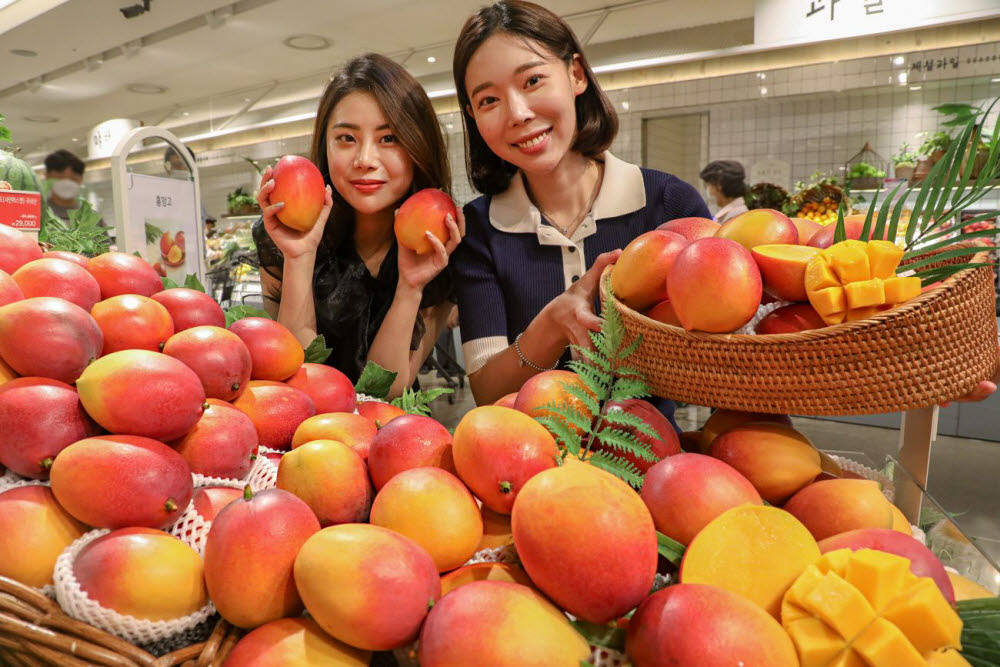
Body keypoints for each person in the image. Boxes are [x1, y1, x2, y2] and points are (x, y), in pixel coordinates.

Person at [451, 0, 711, 425]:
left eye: (533, 80)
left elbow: (719, 356)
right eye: (489, 100)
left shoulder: (668, 205)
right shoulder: (478, 231)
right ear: (473, 117)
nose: (518, 113)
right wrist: (549, 329)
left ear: (575, 73)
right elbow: (486, 391)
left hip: (652, 468)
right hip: (526, 473)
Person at [254, 53, 461, 399]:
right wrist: (300, 257)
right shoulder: (282, 232)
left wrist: (410, 288)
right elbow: (297, 375)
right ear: (325, 144)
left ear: (417, 146)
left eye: (389, 138)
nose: (365, 160)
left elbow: (390, 390)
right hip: (309, 438)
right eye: (346, 138)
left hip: (394, 438)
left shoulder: (441, 243)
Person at [44, 149, 104, 224]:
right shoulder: (38, 215)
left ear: (81, 179)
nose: (67, 184)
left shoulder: (92, 218)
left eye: (73, 179)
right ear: (47, 176)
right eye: (60, 178)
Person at [699, 159, 748, 223]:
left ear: (719, 185)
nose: (710, 192)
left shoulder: (735, 216)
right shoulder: (732, 213)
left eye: (710, 185)